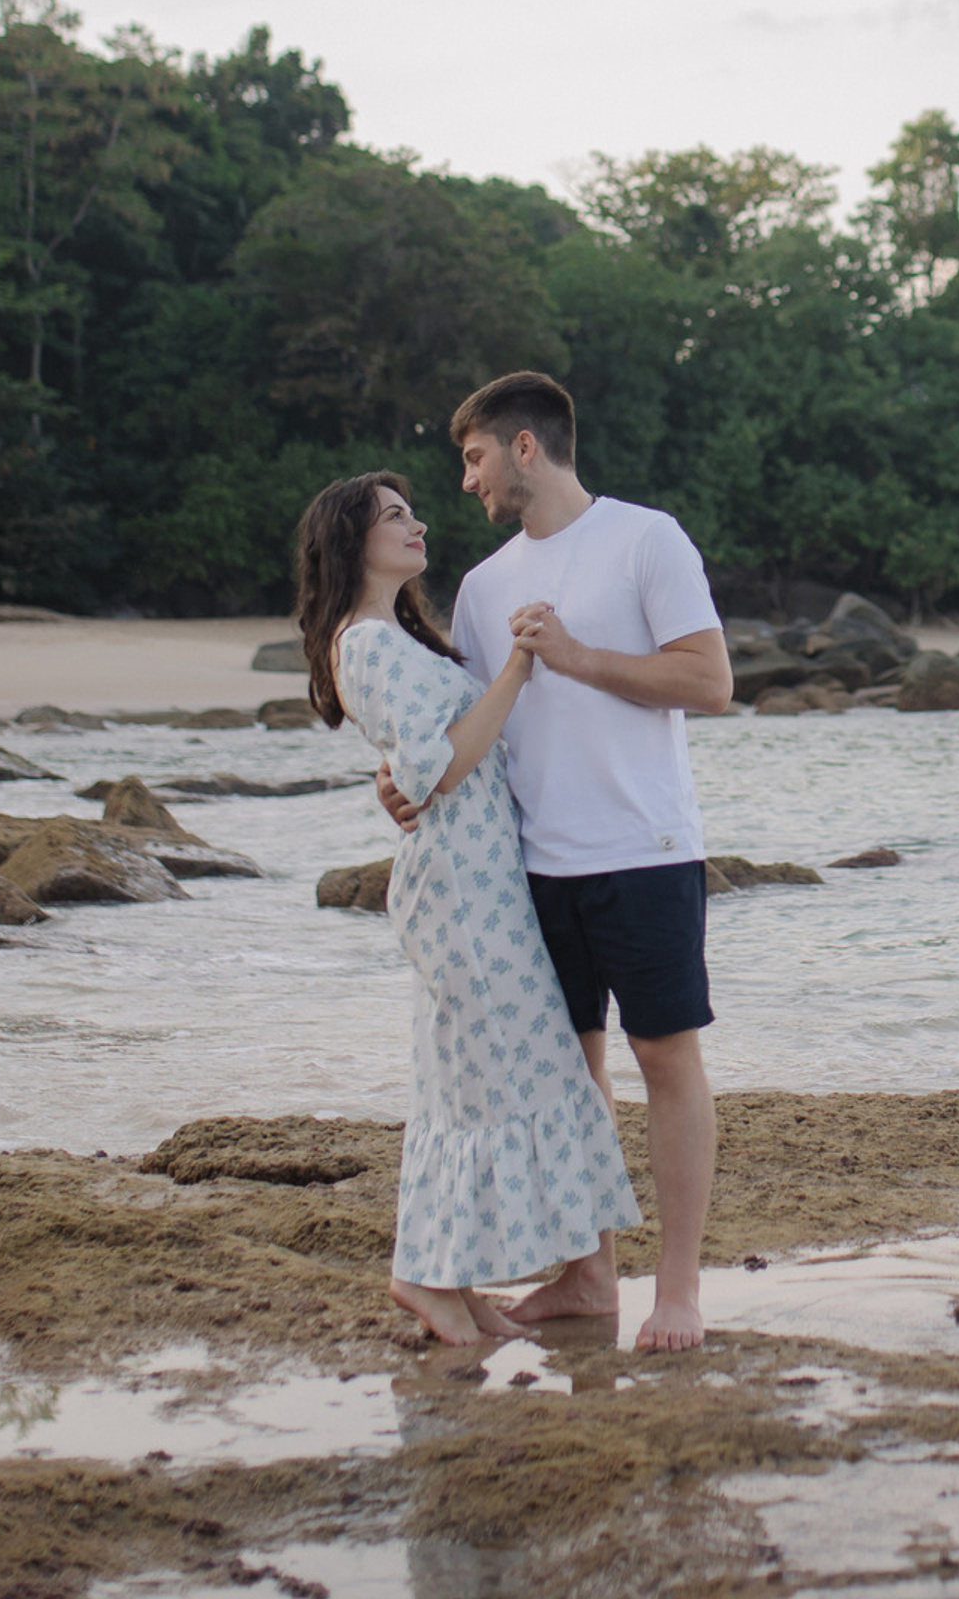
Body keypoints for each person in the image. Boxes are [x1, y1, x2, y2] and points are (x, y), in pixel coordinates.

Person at [376, 369, 733, 1351]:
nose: (466, 480)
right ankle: (586, 1277)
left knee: (664, 1058)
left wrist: (576, 657)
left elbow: (708, 679)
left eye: (474, 456)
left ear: (523, 447)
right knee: (570, 1076)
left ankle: (678, 1292)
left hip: (645, 849)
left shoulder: (644, 538)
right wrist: (403, 781)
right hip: (528, 869)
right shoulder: (485, 589)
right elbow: (466, 728)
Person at [297, 468, 641, 1348]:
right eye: (395, 518)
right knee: (479, 1089)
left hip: (484, 882)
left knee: (488, 1080)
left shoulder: (394, 636)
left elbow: (426, 762)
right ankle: (426, 1277)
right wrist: (522, 666)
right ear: (352, 542)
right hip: (460, 890)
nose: (417, 526)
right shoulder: (367, 644)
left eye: (412, 513)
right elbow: (440, 768)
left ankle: (478, 1278)